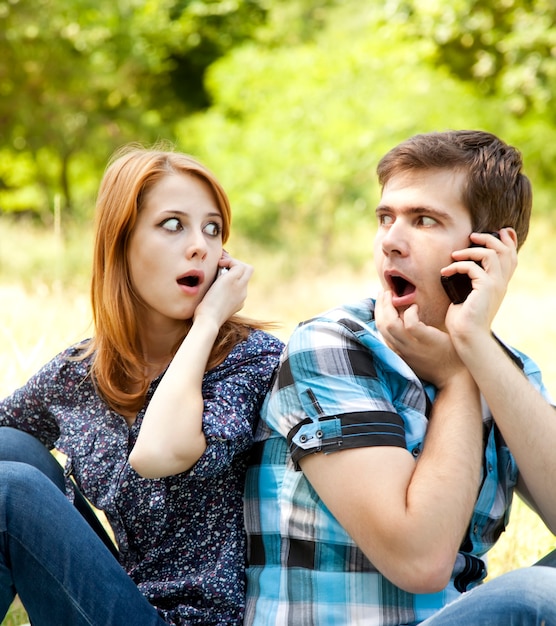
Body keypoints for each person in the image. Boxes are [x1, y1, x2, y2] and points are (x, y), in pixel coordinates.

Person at [244, 130, 556, 625]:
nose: (391, 241)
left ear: (493, 248)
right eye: (386, 217)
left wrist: (476, 351)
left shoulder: (507, 370)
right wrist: (457, 381)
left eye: (424, 220)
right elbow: (418, 560)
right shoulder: (334, 347)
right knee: (537, 597)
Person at [0, 145, 284, 625]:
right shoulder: (78, 374)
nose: (199, 245)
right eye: (173, 225)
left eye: (212, 228)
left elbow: (159, 453)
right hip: (119, 600)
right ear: (121, 241)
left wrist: (209, 321)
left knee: (10, 490)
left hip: (204, 620)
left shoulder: (249, 359)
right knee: (10, 448)